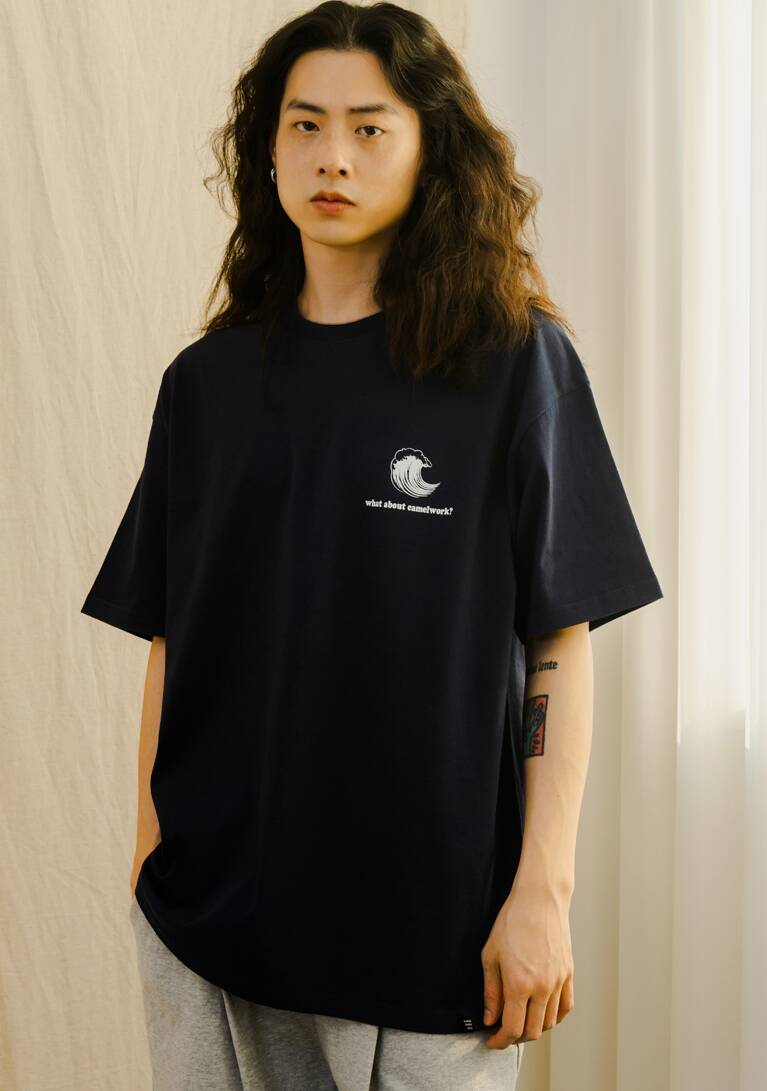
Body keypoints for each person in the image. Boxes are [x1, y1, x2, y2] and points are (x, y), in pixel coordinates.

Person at [80, 3, 664, 1088]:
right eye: (303, 125)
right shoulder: (205, 385)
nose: (332, 157)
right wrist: (148, 854)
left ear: (429, 147)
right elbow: (172, 633)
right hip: (209, 923)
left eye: (369, 127)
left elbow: (557, 640)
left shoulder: (511, 364)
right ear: (267, 151)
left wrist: (542, 890)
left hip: (430, 932)